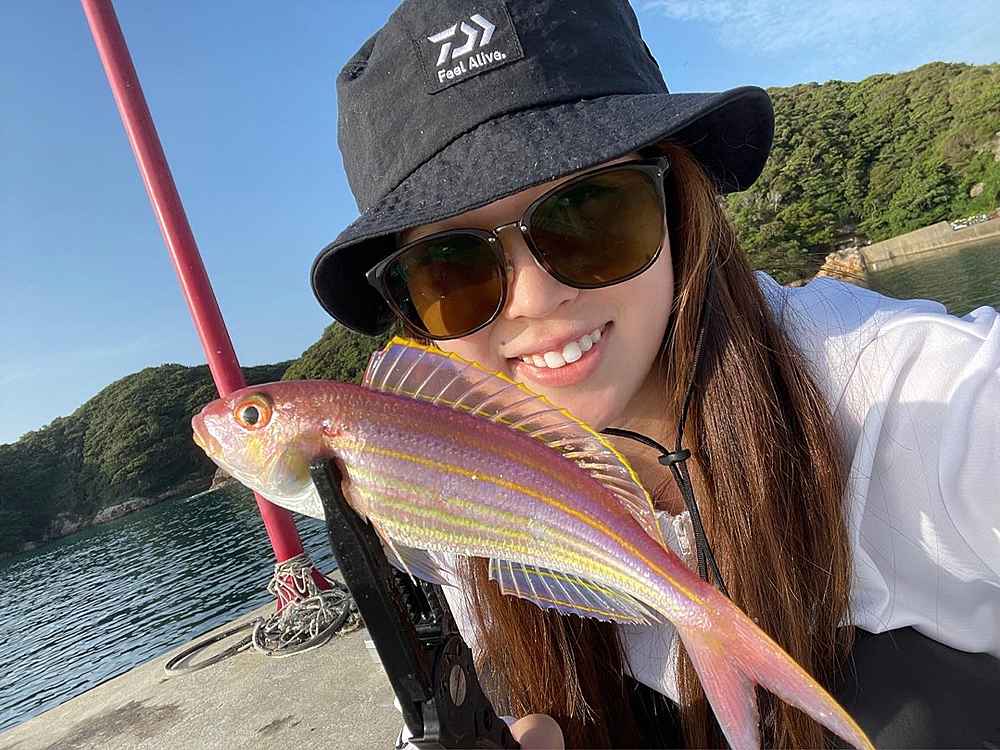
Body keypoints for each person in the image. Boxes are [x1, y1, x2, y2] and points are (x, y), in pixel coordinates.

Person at [310, 1, 1000, 747]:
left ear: (676, 201)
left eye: (589, 215)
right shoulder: (454, 507)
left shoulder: (902, 395)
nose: (537, 299)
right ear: (412, 307)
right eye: (452, 270)